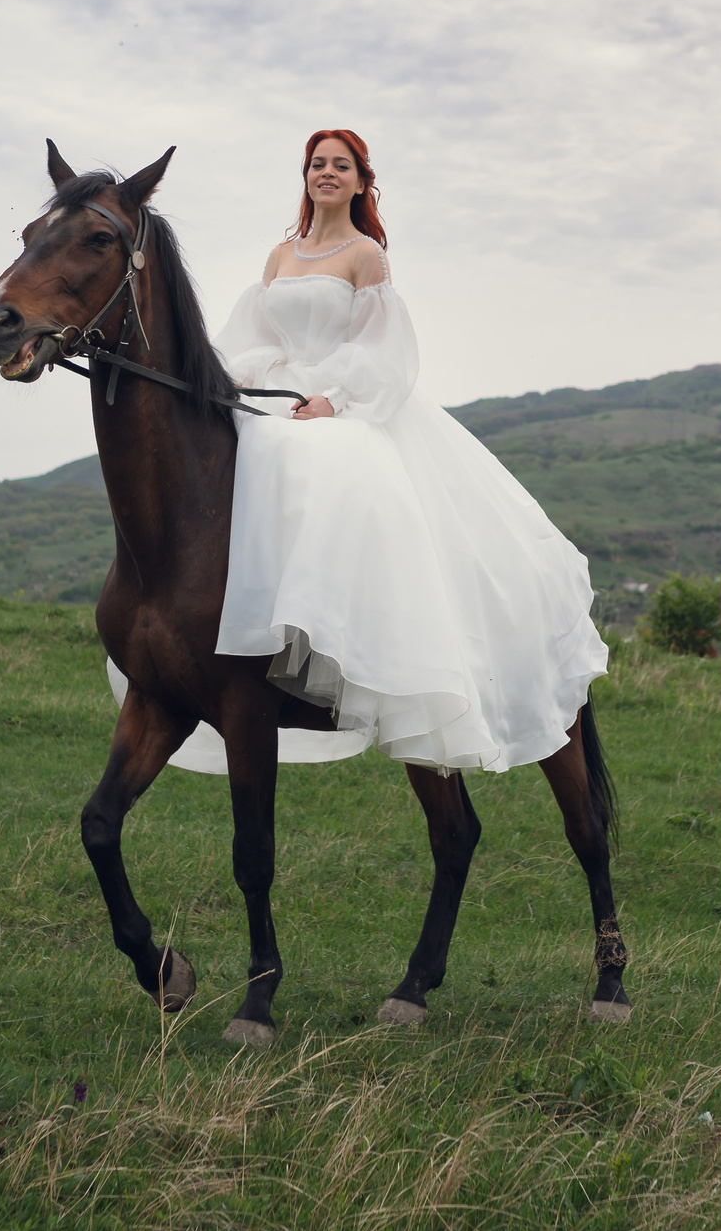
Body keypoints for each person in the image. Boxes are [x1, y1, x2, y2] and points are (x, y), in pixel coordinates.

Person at [162, 128, 609, 776]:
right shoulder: (280, 255)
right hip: (278, 393)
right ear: (305, 175)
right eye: (317, 164)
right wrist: (234, 378)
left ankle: (326, 635)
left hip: (342, 400)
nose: (326, 173)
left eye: (340, 165)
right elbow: (251, 337)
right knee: (233, 453)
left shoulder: (365, 255)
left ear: (361, 181)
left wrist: (333, 397)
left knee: (321, 462)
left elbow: (382, 348)